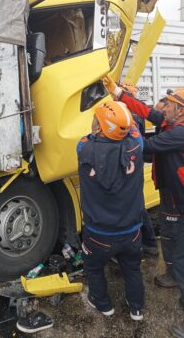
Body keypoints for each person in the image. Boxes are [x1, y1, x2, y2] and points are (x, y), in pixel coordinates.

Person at [103, 76, 184, 337]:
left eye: (168, 103)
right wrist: (119, 94)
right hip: (172, 189)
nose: (163, 107)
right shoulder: (173, 122)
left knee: (174, 244)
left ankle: (177, 276)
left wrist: (126, 127)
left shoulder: (180, 131)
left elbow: (146, 147)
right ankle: (174, 271)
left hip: (177, 194)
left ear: (180, 110)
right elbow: (148, 112)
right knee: (172, 241)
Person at [77, 101, 145, 321]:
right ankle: (136, 309)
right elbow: (132, 129)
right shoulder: (136, 145)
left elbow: (90, 136)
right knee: (133, 270)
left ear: (99, 125)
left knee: (94, 269)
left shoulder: (84, 148)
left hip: (98, 232)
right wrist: (123, 111)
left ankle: (103, 304)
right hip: (131, 229)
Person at [118, 82, 159, 257]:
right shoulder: (132, 112)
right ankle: (147, 243)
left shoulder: (130, 115)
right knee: (135, 203)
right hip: (134, 160)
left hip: (132, 161)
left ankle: (149, 243)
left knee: (135, 204)